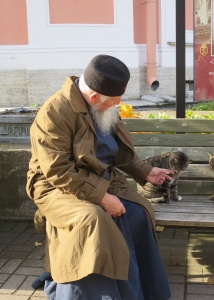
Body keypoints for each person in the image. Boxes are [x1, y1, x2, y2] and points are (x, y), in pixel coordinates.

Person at [26, 54, 173, 300]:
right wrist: (102, 198)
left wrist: (146, 172)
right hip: (54, 186)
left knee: (137, 212)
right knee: (93, 220)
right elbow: (57, 170)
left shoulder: (102, 107)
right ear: (94, 97)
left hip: (99, 179)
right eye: (115, 101)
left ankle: (144, 291)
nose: (118, 105)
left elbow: (118, 151)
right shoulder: (53, 112)